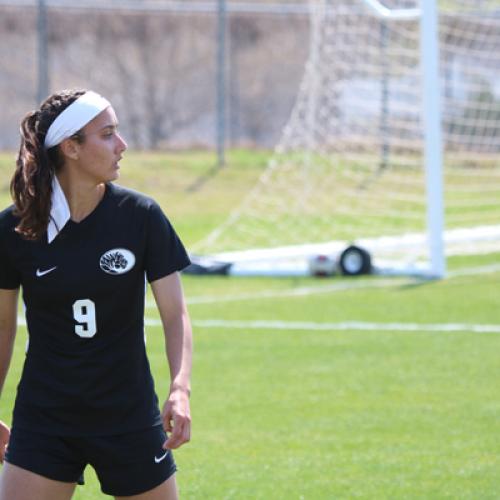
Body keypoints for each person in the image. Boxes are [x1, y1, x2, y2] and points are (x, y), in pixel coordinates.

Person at [0, 89, 193, 499]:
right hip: (44, 417)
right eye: (107, 135)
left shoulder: (141, 217)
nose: (121, 146)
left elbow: (176, 315)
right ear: (70, 147)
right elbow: (1, 327)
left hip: (128, 414)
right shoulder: (13, 229)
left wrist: (180, 389)